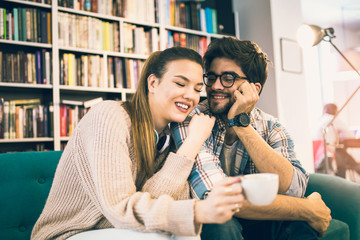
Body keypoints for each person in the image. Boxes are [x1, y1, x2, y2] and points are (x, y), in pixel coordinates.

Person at [31, 47, 245, 240]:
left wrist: (190, 143)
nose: (190, 96)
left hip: (119, 230)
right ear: (152, 83)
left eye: (198, 89)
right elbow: (120, 209)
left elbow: (153, 204)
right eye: (180, 83)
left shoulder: (172, 135)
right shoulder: (109, 116)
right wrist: (193, 144)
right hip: (70, 233)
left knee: (185, 233)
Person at [171, 37, 331, 240]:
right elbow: (215, 196)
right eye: (211, 77)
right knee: (220, 223)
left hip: (259, 221)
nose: (215, 86)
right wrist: (307, 208)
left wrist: (241, 125)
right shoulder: (192, 118)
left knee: (300, 226)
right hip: (213, 217)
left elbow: (294, 189)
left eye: (228, 78)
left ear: (254, 89)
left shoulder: (272, 128)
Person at [313, 103, 360, 178]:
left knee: (343, 157)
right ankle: (344, 183)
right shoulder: (333, 119)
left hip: (317, 156)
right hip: (328, 152)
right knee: (346, 159)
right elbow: (349, 135)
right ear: (336, 111)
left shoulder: (319, 121)